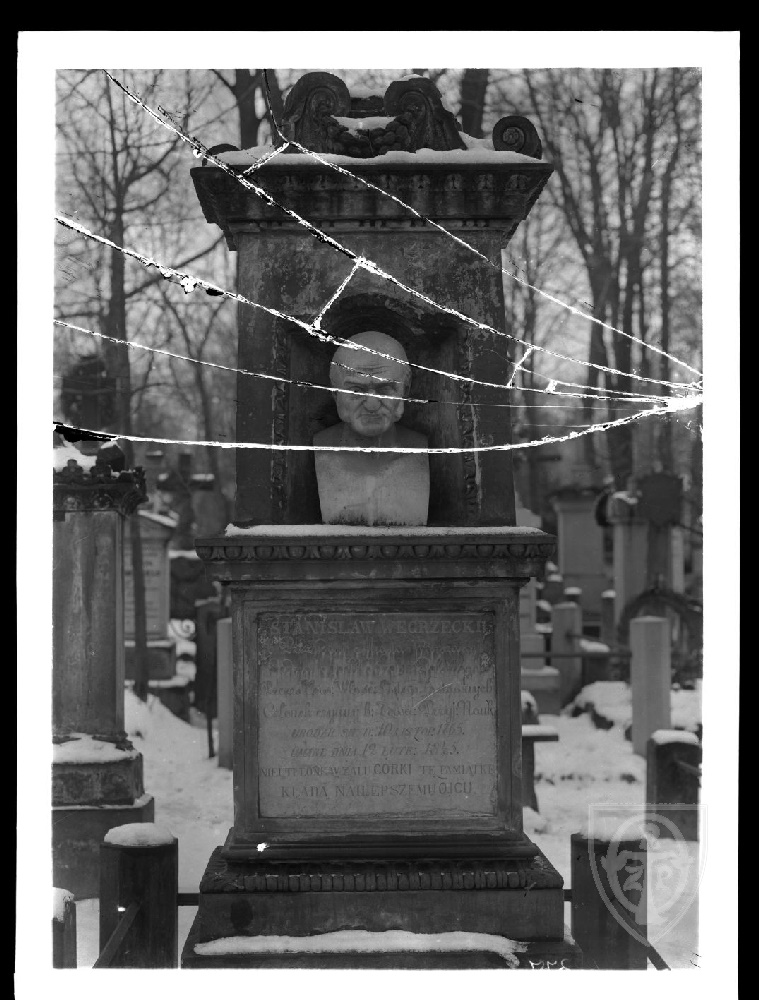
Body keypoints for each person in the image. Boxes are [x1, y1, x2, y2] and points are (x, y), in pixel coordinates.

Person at [313, 331, 429, 526]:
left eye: (385, 390)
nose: (372, 405)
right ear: (335, 394)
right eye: (357, 391)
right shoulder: (319, 453)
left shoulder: (423, 452)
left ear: (405, 391)